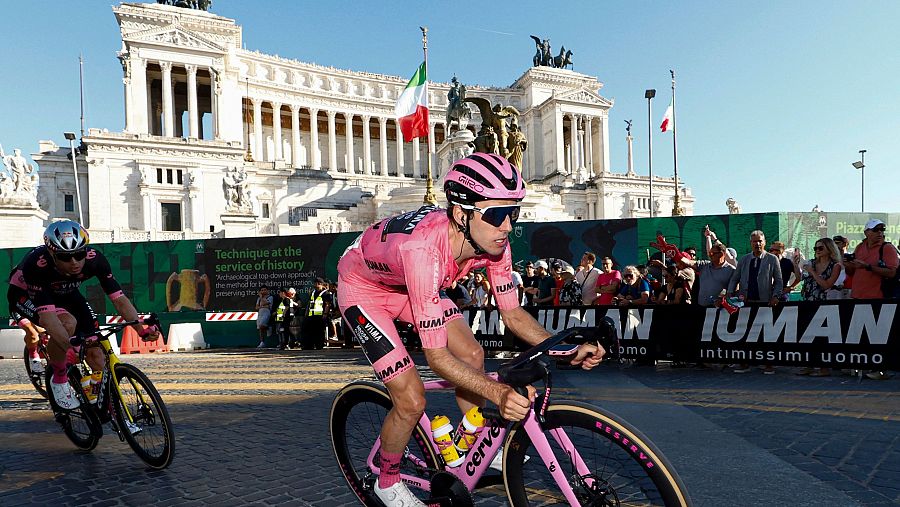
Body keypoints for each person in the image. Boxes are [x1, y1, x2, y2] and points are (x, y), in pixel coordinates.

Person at [336, 152, 603, 506]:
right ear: (462, 214)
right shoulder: (425, 251)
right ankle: (386, 480)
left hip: (411, 288)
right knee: (411, 398)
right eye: (496, 215)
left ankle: (475, 443)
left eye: (513, 212)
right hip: (364, 291)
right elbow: (436, 357)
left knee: (473, 353)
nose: (507, 226)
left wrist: (565, 349)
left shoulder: (495, 245)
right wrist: (498, 395)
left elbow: (514, 316)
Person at [20, 220, 157, 409]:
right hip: (27, 296)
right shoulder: (37, 265)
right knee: (67, 323)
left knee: (95, 352)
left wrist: (141, 330)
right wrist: (71, 346)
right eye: (65, 257)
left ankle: (97, 403)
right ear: (52, 254)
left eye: (79, 254)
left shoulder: (95, 259)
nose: (75, 262)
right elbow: (49, 319)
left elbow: (119, 299)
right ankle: (58, 379)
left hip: (67, 294)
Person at [844, 219, 898, 380]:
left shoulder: (887, 248)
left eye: (882, 230)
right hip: (858, 296)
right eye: (876, 230)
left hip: (878, 297)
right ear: (867, 232)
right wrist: (849, 264)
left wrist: (867, 266)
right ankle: (862, 365)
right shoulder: (860, 247)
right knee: (860, 335)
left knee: (879, 336)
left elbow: (891, 273)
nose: (880, 233)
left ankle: (882, 368)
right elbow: (853, 272)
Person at [727, 230, 782, 374]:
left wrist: (776, 295)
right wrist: (730, 293)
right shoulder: (744, 260)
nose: (757, 244)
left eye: (760, 241)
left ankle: (768, 364)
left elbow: (779, 280)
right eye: (754, 241)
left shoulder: (772, 259)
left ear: (764, 242)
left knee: (766, 335)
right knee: (744, 334)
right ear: (750, 243)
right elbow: (735, 278)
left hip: (765, 301)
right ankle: (744, 363)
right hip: (745, 302)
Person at [795, 238, 843, 377]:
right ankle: (808, 365)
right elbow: (800, 277)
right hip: (808, 301)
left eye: (820, 248)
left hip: (823, 303)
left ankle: (824, 368)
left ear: (829, 249)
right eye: (816, 248)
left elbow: (827, 284)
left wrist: (813, 272)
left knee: (821, 337)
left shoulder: (835, 266)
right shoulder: (812, 263)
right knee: (806, 335)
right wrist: (796, 265)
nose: (817, 251)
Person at [301, 278, 332, 350]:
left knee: (319, 331)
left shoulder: (325, 293)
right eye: (315, 283)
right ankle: (309, 345)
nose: (315, 285)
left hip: (320, 315)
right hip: (311, 315)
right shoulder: (313, 292)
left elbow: (327, 304)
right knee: (309, 331)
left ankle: (319, 345)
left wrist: (325, 314)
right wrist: (306, 314)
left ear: (321, 284)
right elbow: (310, 303)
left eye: (318, 284)